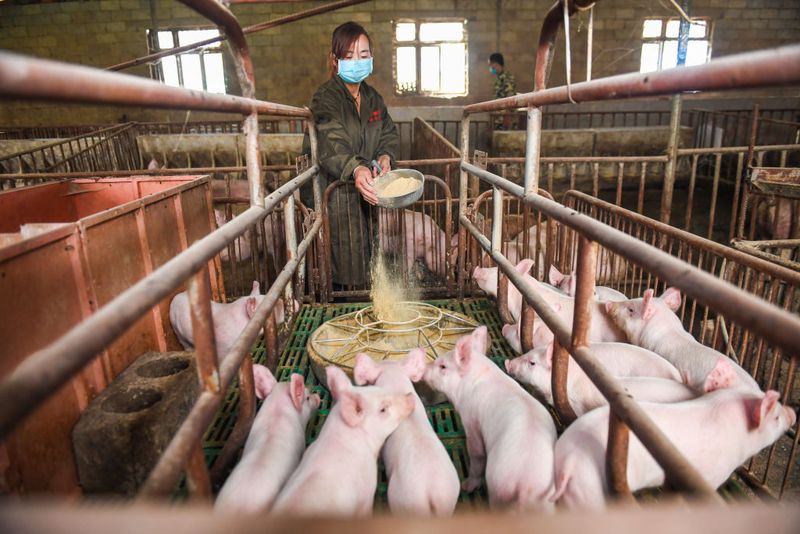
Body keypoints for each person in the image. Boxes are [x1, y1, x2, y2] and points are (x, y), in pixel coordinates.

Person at [303, 21, 400, 288]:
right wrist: (357, 169)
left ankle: (362, 303)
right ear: (335, 61)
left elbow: (388, 133)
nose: (357, 61)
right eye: (348, 56)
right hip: (333, 196)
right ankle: (339, 307)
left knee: (367, 254)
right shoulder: (326, 98)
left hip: (366, 194)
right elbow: (331, 141)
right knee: (337, 262)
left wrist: (385, 157)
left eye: (364, 55)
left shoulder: (373, 99)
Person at [488, 52, 516, 130]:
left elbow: (510, 98)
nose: (490, 67)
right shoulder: (499, 78)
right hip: (499, 119)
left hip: (505, 119)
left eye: (490, 64)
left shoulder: (507, 78)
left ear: (495, 64)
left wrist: (507, 117)